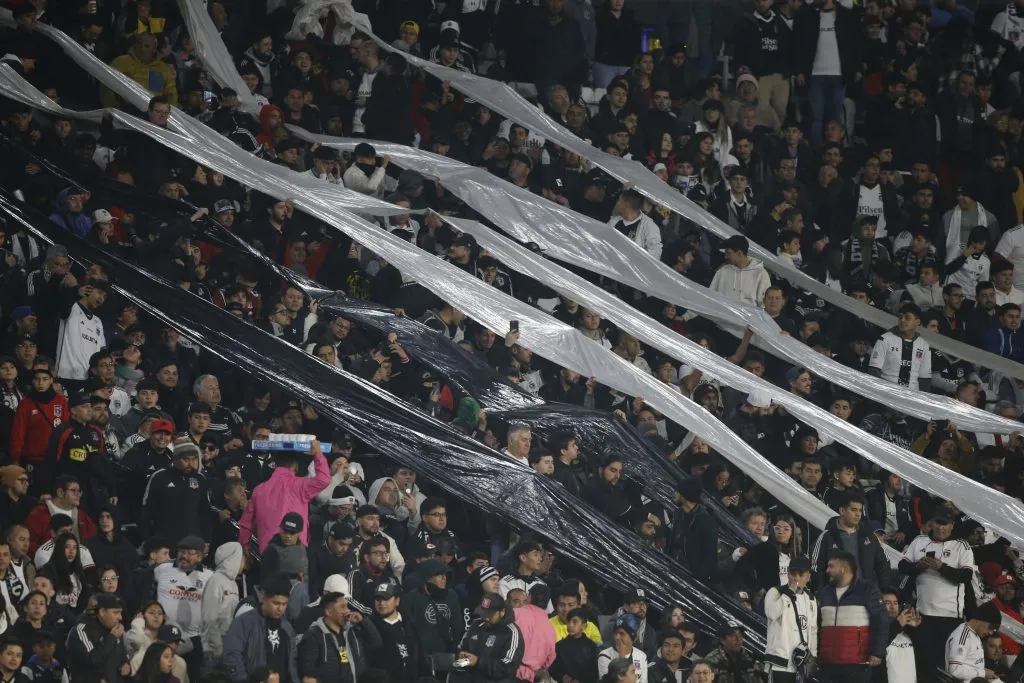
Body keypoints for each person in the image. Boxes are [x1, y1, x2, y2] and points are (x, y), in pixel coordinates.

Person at [898, 512, 976, 679]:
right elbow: (902, 566)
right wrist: (918, 566)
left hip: (949, 617)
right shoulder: (919, 541)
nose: (941, 527)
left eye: (945, 524)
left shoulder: (961, 546)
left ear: (952, 525)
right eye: (938, 522)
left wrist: (941, 567)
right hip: (923, 615)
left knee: (946, 664)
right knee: (924, 663)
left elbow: (965, 576)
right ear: (931, 524)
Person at [239, 441, 330, 555]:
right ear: (295, 466)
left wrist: (244, 548)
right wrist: (318, 454)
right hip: (295, 553)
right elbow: (324, 480)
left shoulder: (259, 490)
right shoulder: (300, 485)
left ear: (275, 465)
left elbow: (246, 524)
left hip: (268, 554)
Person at [816, 550, 886, 683]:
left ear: (844, 568)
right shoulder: (824, 593)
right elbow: (818, 627)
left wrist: (877, 652)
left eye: (831, 566)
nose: (827, 570)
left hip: (857, 664)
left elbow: (881, 622)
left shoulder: (867, 589)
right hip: (827, 664)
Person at [153, 536, 211, 681]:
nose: (184, 556)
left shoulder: (210, 576)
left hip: (194, 637)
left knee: (193, 677)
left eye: (189, 553)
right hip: (165, 636)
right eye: (182, 551)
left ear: (200, 556)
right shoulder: (162, 569)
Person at [222, 575, 298, 683]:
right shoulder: (245, 622)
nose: (280, 609)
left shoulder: (287, 628)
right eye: (275, 603)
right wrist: (242, 679)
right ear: (263, 597)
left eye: (284, 604)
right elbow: (232, 655)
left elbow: (292, 662)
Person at [298, 589, 380, 683]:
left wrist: (363, 622)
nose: (347, 611)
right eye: (343, 607)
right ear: (328, 612)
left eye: (347, 606)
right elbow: (308, 671)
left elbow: (376, 642)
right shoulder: (314, 636)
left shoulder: (352, 631)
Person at [139, 437, 210, 544]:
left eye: (194, 459)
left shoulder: (200, 479)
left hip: (193, 542)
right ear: (175, 459)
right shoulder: (159, 477)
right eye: (186, 459)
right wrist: (147, 539)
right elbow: (146, 511)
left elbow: (205, 512)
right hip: (164, 542)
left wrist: (207, 540)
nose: (191, 463)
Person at [810, 491, 887, 589]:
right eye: (854, 510)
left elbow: (884, 563)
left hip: (866, 596)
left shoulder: (870, 536)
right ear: (842, 510)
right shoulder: (827, 536)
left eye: (860, 510)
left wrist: (881, 591)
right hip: (837, 597)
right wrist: (822, 593)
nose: (858, 514)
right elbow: (816, 567)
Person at [762, 556, 817, 682]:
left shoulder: (811, 599)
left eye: (801, 574)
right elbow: (771, 613)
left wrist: (813, 656)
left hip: (801, 665)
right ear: (787, 573)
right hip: (779, 664)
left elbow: (812, 630)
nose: (796, 578)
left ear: (808, 577)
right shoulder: (775, 592)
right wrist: (789, 593)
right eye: (793, 573)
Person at [452, 592, 525, 683]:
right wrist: (461, 655)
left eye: (490, 615)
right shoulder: (476, 624)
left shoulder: (511, 632)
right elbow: (462, 647)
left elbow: (508, 666)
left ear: (502, 612)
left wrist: (478, 662)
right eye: (484, 614)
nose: (486, 618)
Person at [65, 592, 129, 683]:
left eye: (120, 613)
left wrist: (126, 664)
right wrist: (112, 637)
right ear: (102, 612)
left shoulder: (114, 629)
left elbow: (123, 655)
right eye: (116, 612)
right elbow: (93, 660)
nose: (120, 617)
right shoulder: (82, 630)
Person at [867, 303, 932, 391]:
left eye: (907, 318)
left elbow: (924, 379)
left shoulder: (924, 346)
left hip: (911, 398)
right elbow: (874, 371)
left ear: (918, 322)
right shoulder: (885, 339)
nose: (902, 320)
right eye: (900, 317)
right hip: (886, 394)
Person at [201, 542, 243, 667]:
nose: (244, 563)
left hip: (228, 643)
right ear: (233, 559)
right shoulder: (216, 580)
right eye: (241, 558)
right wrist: (217, 647)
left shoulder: (233, 584)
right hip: (214, 647)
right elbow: (209, 617)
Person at [668, 478, 717, 583]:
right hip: (672, 570)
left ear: (684, 495)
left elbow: (710, 557)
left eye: (677, 491)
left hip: (688, 578)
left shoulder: (705, 521)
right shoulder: (678, 513)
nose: (674, 494)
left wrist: (696, 581)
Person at [944, 602, 1003, 682]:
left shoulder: (975, 635)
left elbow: (971, 664)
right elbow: (955, 671)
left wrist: (986, 672)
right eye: (991, 628)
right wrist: (983, 674)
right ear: (982, 619)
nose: (991, 633)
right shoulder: (962, 636)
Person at [708, 236, 771, 308]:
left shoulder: (761, 274)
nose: (725, 256)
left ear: (739, 253)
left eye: (728, 253)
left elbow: (765, 305)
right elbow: (711, 296)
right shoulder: (722, 271)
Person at [552, 607, 599, 683]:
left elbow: (594, 672)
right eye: (568, 621)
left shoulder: (591, 646)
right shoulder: (559, 646)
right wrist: (563, 676)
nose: (570, 625)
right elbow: (554, 668)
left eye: (575, 622)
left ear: (584, 626)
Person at [598, 614, 648, 683]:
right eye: (616, 633)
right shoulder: (605, 656)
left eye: (622, 634)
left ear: (633, 637)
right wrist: (622, 657)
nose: (617, 637)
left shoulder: (641, 656)